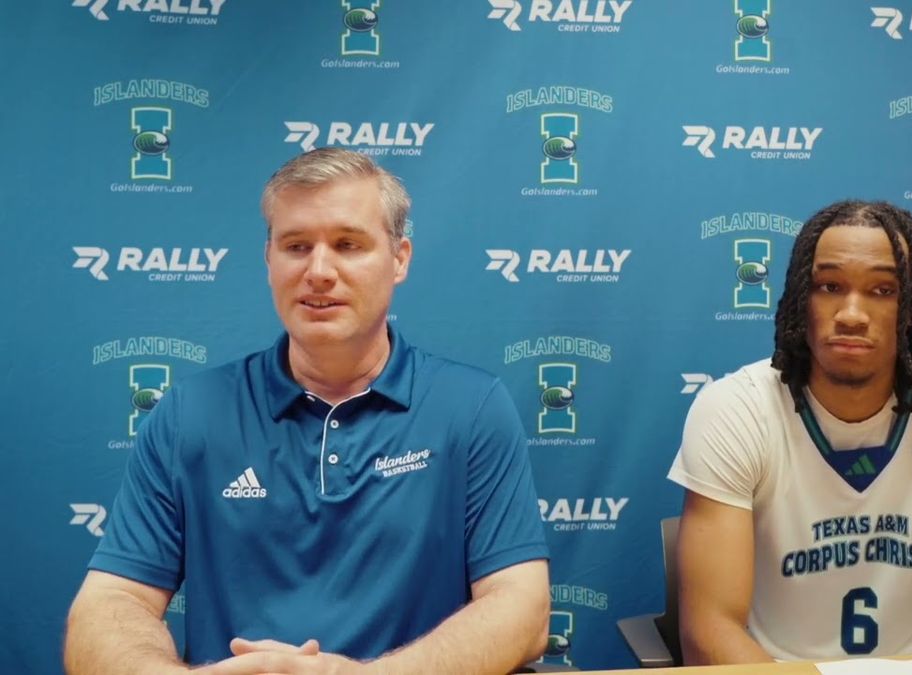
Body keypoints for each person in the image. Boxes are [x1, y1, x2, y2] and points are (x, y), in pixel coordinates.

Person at [64, 148, 550, 674]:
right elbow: (110, 606)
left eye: (348, 244)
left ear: (399, 258)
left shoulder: (471, 408)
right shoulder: (190, 414)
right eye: (297, 246)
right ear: (268, 260)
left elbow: (522, 609)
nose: (319, 271)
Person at [668, 200, 912, 663]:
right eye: (830, 286)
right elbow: (710, 629)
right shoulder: (737, 410)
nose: (851, 313)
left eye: (883, 290)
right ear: (798, 299)